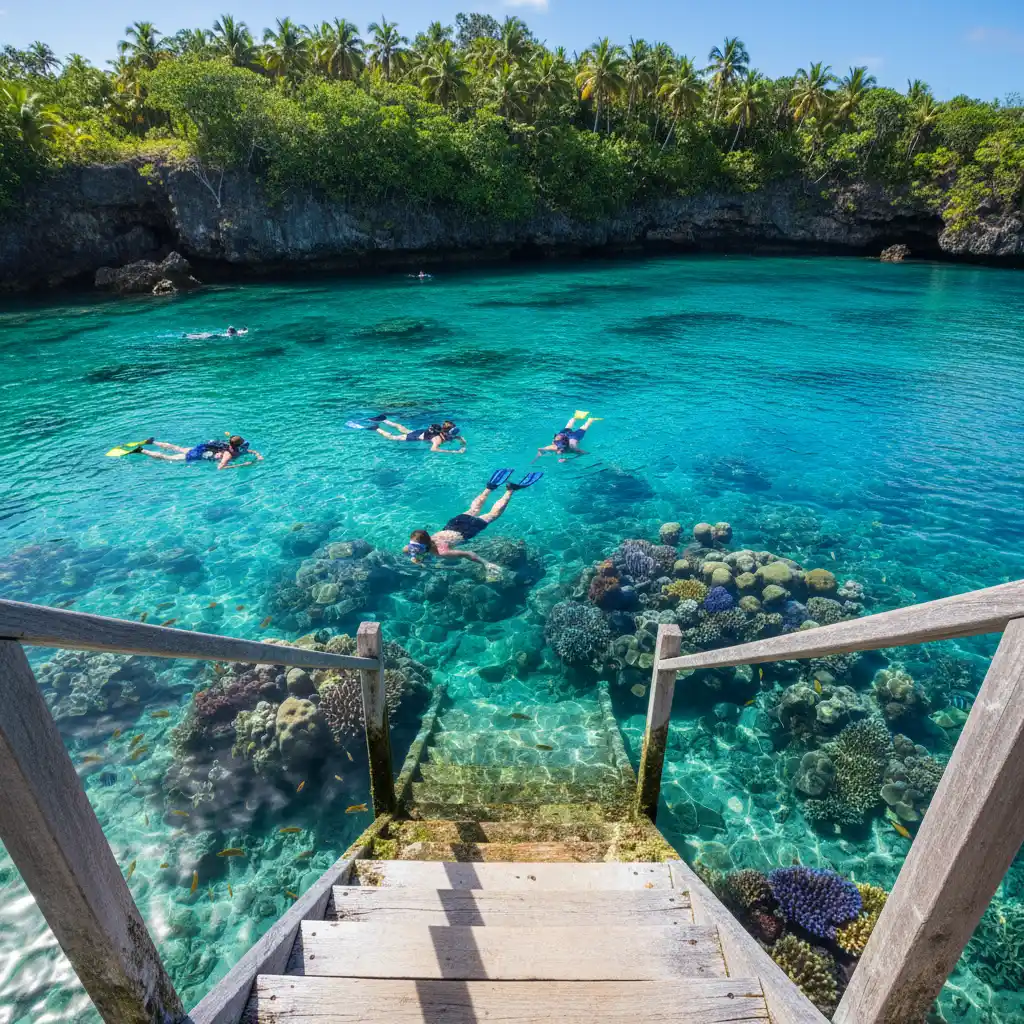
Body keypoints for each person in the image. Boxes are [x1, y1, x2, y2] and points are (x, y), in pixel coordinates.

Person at [405, 469, 542, 566]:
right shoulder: (410, 548)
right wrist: (416, 558)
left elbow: (468, 554)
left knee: (492, 515)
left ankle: (510, 490)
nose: (412, 549)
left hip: (466, 532)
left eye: (414, 547)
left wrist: (486, 564)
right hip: (452, 525)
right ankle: (489, 488)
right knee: (473, 509)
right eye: (412, 546)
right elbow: (412, 552)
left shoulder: (442, 552)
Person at [129, 435, 263, 470]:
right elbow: (220, 467)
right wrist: (242, 465)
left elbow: (248, 450)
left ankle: (152, 442)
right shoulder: (228, 454)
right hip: (195, 455)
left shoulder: (233, 446)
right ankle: (141, 450)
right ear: (237, 444)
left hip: (200, 449)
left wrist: (257, 455)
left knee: (177, 447)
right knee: (166, 457)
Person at [353, 415, 467, 454]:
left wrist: (462, 442)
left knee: (402, 428)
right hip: (416, 437)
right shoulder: (438, 438)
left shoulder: (440, 429)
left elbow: (458, 437)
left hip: (420, 432)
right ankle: (377, 428)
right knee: (391, 437)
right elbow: (433, 449)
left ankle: (385, 420)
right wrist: (454, 451)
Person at [535, 410, 602, 461]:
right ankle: (575, 417)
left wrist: (568, 459)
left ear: (566, 448)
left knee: (584, 428)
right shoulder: (553, 447)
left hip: (574, 437)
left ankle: (590, 419)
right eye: (559, 449)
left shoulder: (573, 449)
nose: (559, 452)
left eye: (561, 450)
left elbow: (586, 453)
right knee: (568, 427)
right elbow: (540, 449)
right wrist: (539, 454)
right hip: (563, 435)